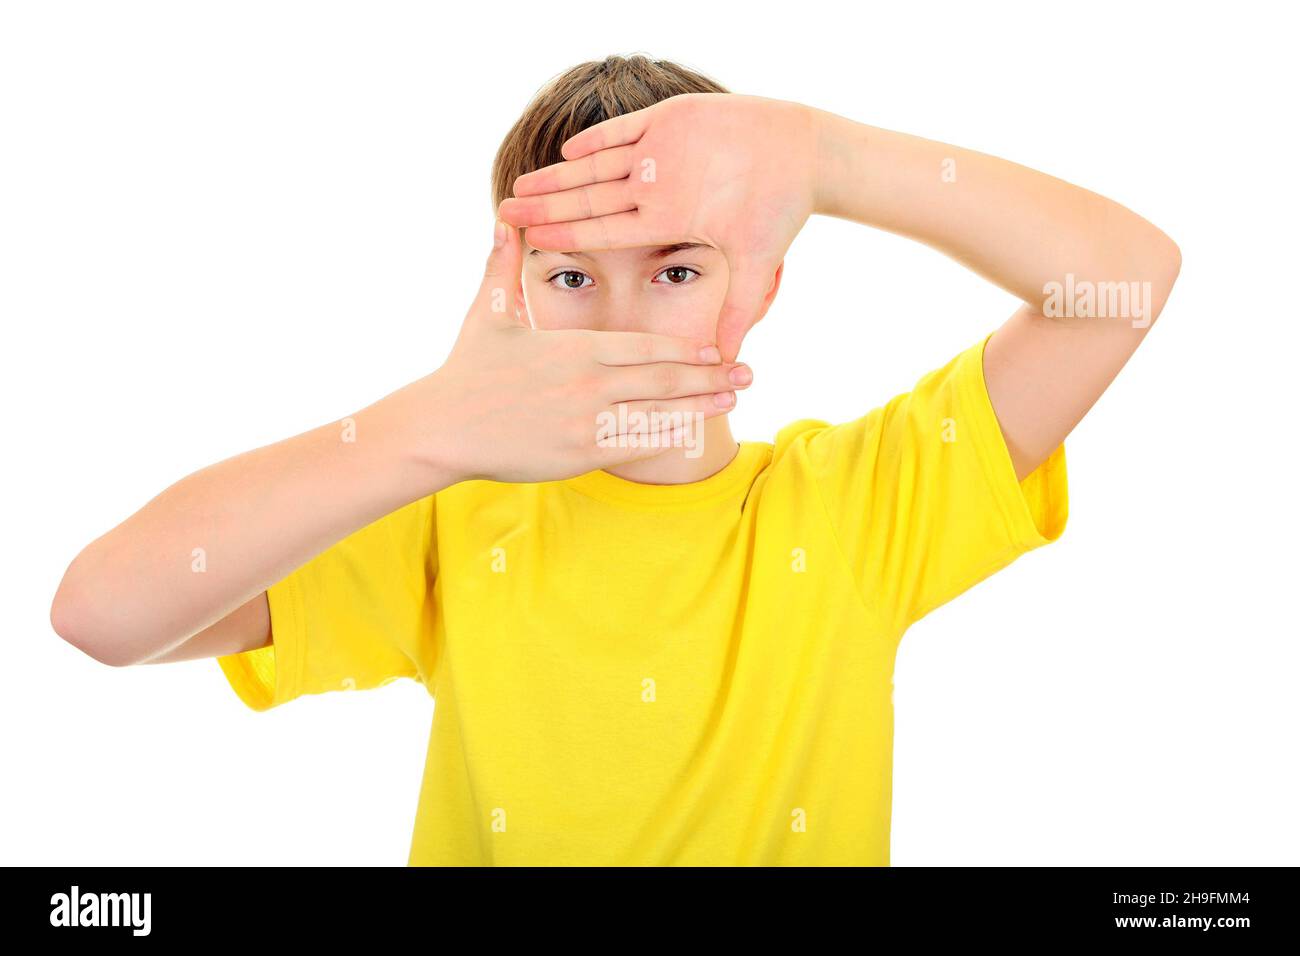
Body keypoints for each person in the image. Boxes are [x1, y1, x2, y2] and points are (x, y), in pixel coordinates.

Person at [49, 54, 1180, 865]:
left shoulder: (856, 502)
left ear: (761, 286)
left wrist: (824, 157)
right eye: (574, 275)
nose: (623, 318)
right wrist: (422, 426)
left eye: (677, 270)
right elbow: (101, 612)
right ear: (516, 292)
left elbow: (1123, 281)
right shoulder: (449, 516)